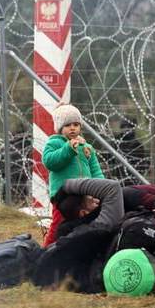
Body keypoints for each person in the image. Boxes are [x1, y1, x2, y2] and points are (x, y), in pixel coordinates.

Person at [42, 103, 105, 246]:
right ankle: (45, 251)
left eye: (76, 124)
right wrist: (68, 149)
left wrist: (100, 188)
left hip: (84, 195)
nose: (72, 128)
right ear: (60, 128)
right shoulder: (54, 143)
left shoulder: (86, 147)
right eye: (68, 125)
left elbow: (95, 170)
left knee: (81, 223)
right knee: (59, 224)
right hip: (63, 196)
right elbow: (50, 162)